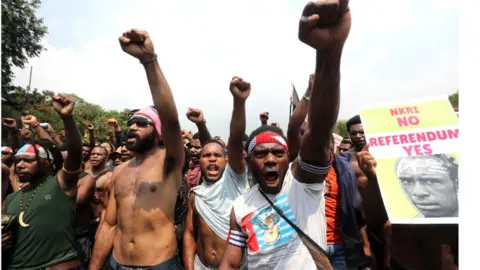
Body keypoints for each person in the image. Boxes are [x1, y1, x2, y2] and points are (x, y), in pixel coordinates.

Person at [219, 2, 351, 268]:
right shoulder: (240, 206)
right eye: (261, 153)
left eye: (278, 153)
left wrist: (329, 52)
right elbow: (231, 264)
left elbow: (321, 130)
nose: (270, 159)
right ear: (248, 160)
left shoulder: (303, 184)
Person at [89, 28, 185, 269]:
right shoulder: (119, 171)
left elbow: (171, 119)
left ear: (158, 132)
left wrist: (148, 61)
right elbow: (109, 225)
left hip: (158, 263)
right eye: (131, 123)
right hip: (117, 263)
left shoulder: (170, 162)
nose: (132, 127)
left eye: (142, 123)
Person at [3, 94, 83, 269]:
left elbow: (75, 150)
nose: (20, 165)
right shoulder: (10, 199)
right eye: (17, 160)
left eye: (28, 160)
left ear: (47, 163)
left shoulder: (60, 184)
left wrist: (67, 117)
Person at [183, 77, 252, 270]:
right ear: (200, 160)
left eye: (217, 155)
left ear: (227, 160)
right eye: (206, 156)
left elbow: (236, 138)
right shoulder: (196, 195)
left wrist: (239, 101)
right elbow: (189, 233)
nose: (212, 159)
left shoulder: (235, 179)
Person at [345, 115, 392, 269]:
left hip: (383, 215)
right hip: (360, 220)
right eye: (354, 133)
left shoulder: (385, 156)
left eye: (362, 132)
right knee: (367, 260)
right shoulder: (344, 161)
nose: (358, 136)